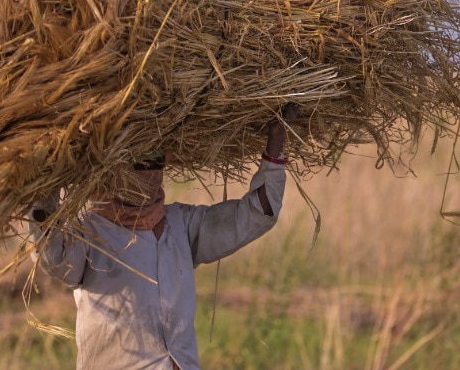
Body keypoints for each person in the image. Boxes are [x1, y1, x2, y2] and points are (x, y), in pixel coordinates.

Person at [29, 104, 300, 370]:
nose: (147, 173)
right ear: (109, 171)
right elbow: (54, 260)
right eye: (136, 164)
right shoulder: (90, 233)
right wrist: (47, 182)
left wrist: (275, 144)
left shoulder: (181, 225)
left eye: (154, 161)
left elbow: (256, 215)